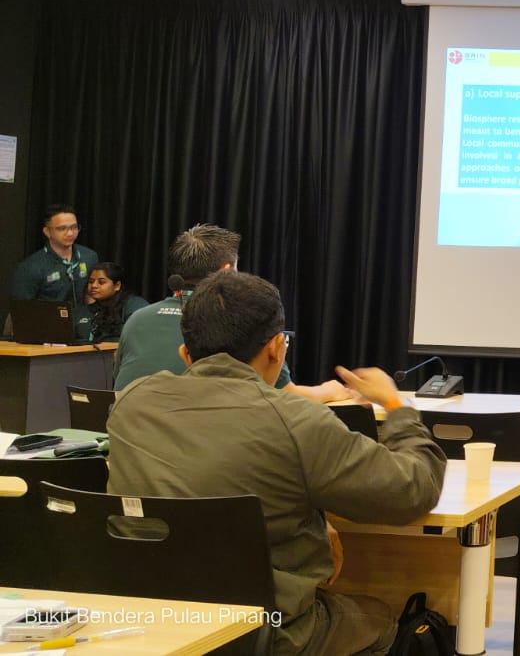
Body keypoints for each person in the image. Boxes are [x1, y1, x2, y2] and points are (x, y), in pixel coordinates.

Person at [107, 271, 447, 656]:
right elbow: (413, 490)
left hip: (151, 623)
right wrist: (397, 406)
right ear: (275, 348)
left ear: (186, 354)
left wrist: (316, 517)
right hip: (263, 630)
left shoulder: (131, 404)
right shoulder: (296, 420)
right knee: (382, 619)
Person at [113, 223, 344, 402]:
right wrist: (329, 391)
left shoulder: (136, 319)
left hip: (127, 441)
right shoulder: (236, 319)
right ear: (226, 272)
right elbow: (284, 395)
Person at [10, 204, 98, 330]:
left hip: (84, 326)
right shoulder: (30, 267)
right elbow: (22, 311)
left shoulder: (89, 257)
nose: (70, 233)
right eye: (62, 228)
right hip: (47, 329)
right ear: (47, 231)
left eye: (74, 227)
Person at [76, 261, 150, 342]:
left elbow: (142, 337)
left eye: (101, 282)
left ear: (117, 286)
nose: (94, 285)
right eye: (91, 281)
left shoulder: (134, 305)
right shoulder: (84, 310)